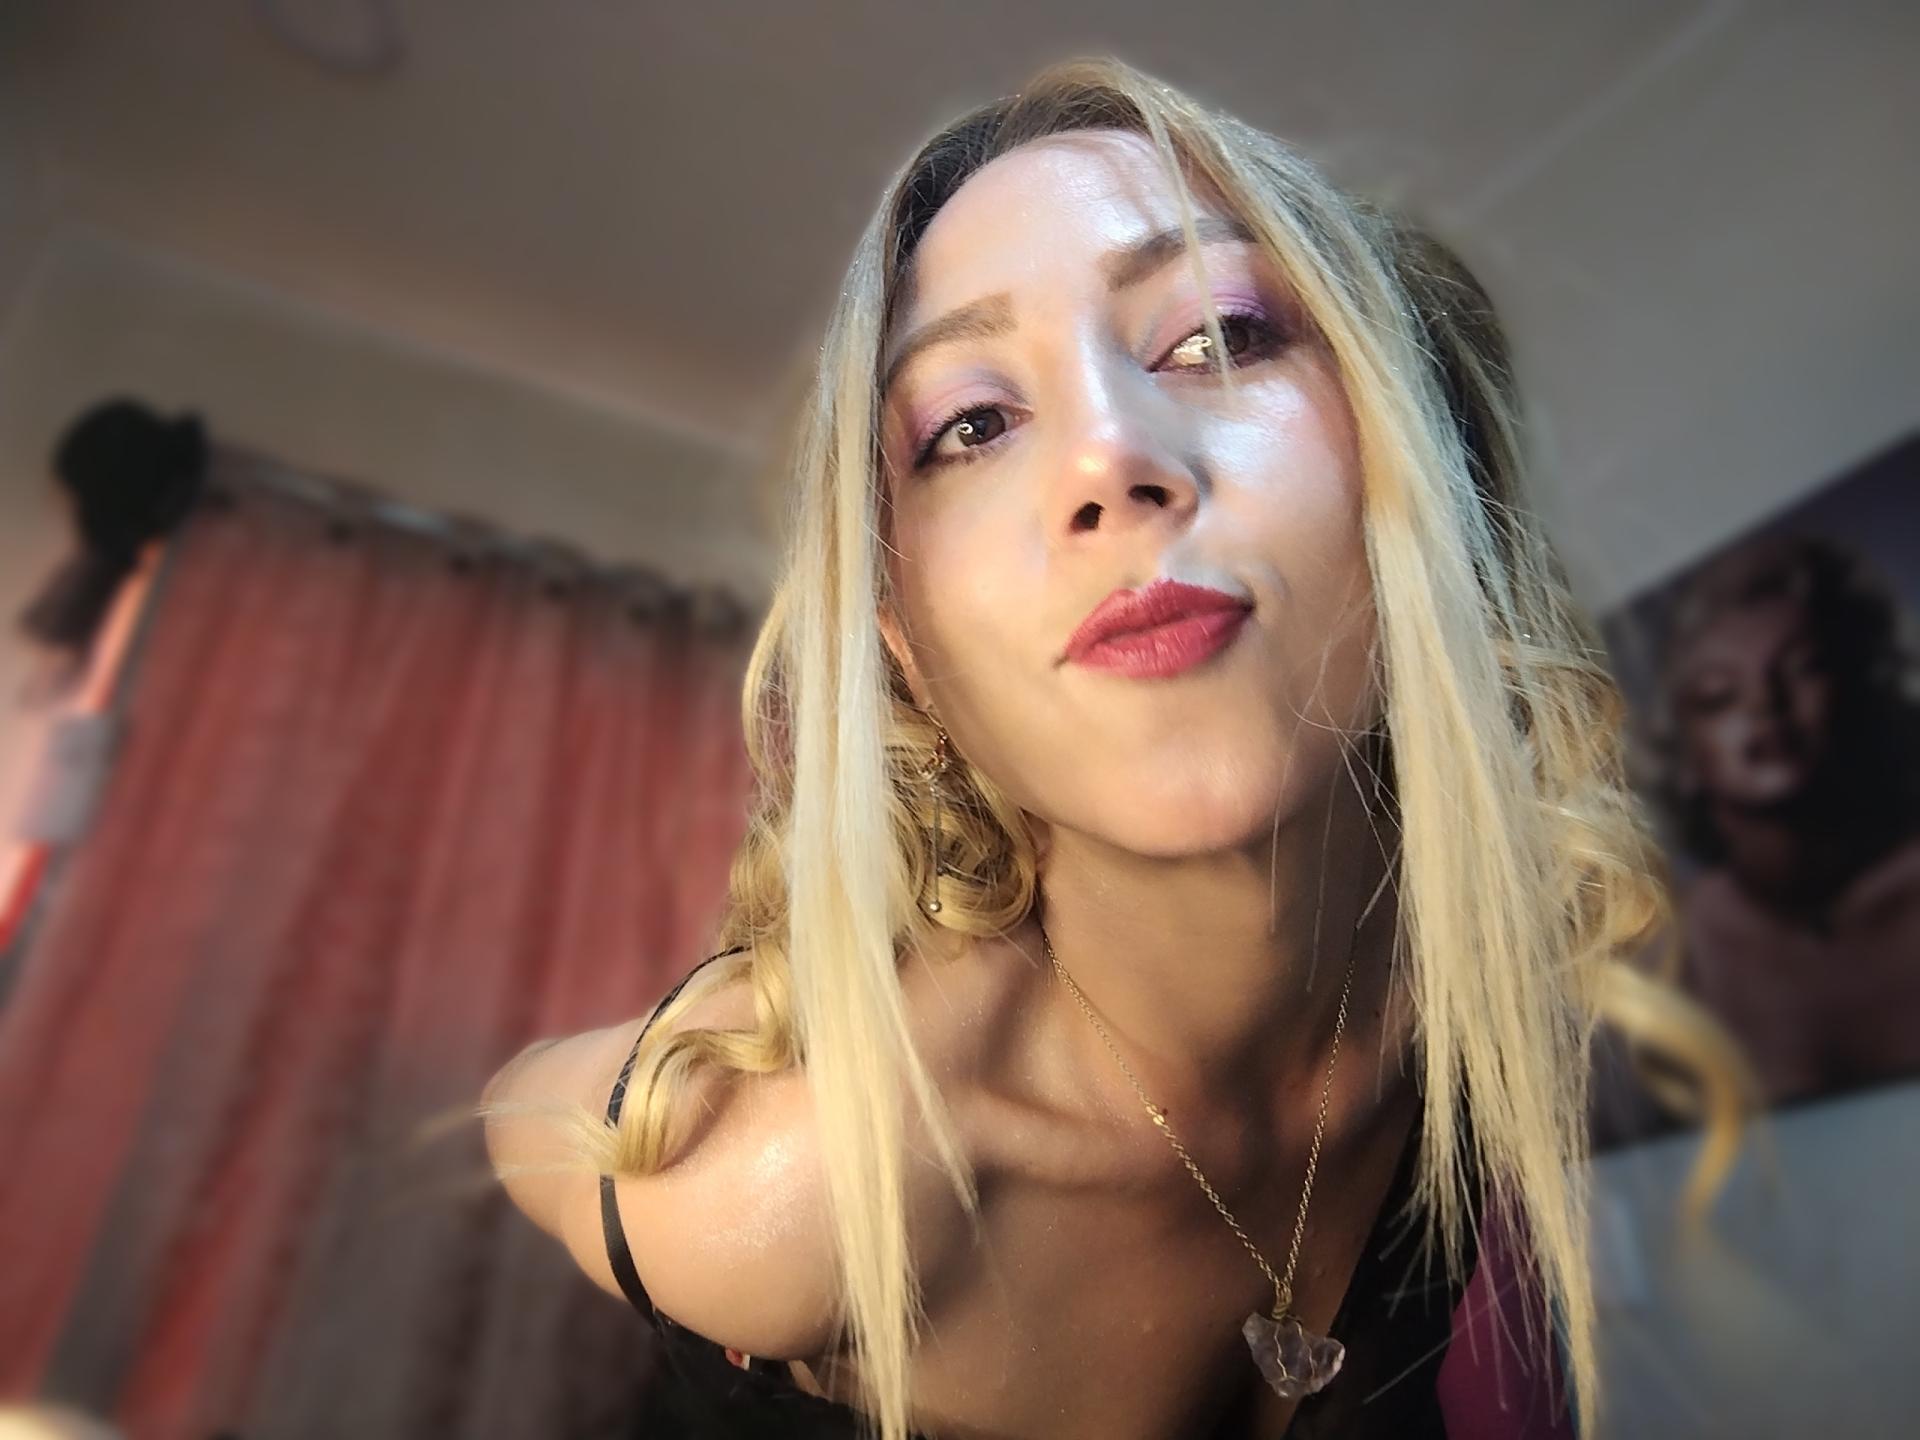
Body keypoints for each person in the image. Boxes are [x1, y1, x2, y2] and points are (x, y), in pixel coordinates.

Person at [481, 57, 1738, 1439]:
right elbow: (514, 1112)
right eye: (971, 425)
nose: (1108, 458)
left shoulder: (1480, 993)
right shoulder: (805, 1181)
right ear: (909, 648)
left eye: (1217, 336)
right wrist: (711, 1033)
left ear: (1420, 466)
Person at [1649, 533, 1920, 1105]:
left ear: (1862, 692)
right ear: (1682, 751)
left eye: (1802, 669)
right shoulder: (1672, 956)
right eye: (1719, 695)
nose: (1765, 705)